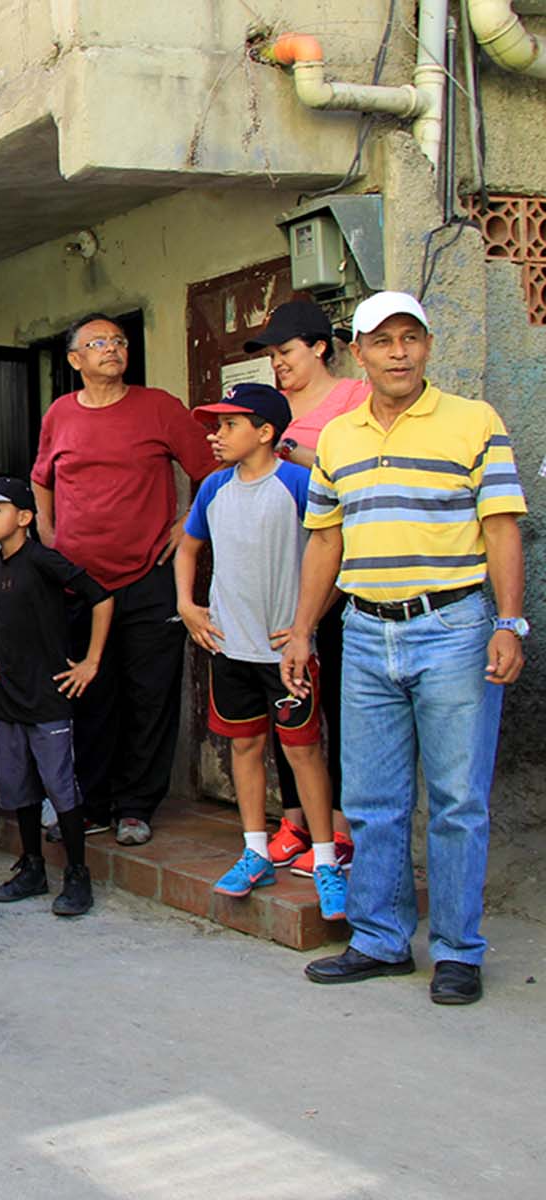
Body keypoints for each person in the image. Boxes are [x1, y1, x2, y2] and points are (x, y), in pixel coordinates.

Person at [283, 292, 527, 1006]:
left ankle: (457, 951)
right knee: (372, 797)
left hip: (454, 629)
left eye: (409, 338)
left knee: (456, 800)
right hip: (363, 631)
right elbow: (325, 539)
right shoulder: (338, 439)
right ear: (357, 353)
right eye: (382, 340)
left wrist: (510, 623)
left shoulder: (473, 421)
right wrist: (301, 629)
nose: (398, 351)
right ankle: (381, 939)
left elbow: (504, 526)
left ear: (426, 347)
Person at [32, 313, 215, 846]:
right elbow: (43, 477)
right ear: (75, 360)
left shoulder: (160, 407)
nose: (111, 350)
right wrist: (47, 533)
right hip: (80, 584)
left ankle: (136, 805)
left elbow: (211, 471)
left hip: (149, 577)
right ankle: (91, 801)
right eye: (97, 343)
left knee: (150, 693)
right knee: (88, 691)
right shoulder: (60, 414)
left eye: (118, 341)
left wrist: (187, 524)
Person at [175, 383, 342, 918]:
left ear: (266, 432)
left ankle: (325, 859)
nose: (215, 435)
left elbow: (338, 551)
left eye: (228, 425)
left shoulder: (298, 482)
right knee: (244, 749)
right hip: (231, 647)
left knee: (303, 752)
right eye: (215, 425)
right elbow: (189, 545)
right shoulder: (213, 488)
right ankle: (254, 851)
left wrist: (304, 624)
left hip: (289, 653)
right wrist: (188, 605)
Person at [245, 300, 368, 875]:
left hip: (336, 583)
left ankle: (338, 825)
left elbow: (360, 471)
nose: (278, 365)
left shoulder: (353, 399)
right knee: (283, 701)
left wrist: (287, 449)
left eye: (286, 352)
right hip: (276, 579)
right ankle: (292, 818)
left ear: (320, 347)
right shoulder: (272, 408)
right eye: (271, 357)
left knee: (336, 706)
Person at [0, 478, 113, 917]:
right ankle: (32, 867)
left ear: (25, 518)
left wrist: (90, 662)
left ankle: (76, 874)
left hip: (49, 695)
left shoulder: (43, 561)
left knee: (60, 786)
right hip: (10, 697)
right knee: (18, 786)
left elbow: (101, 597)